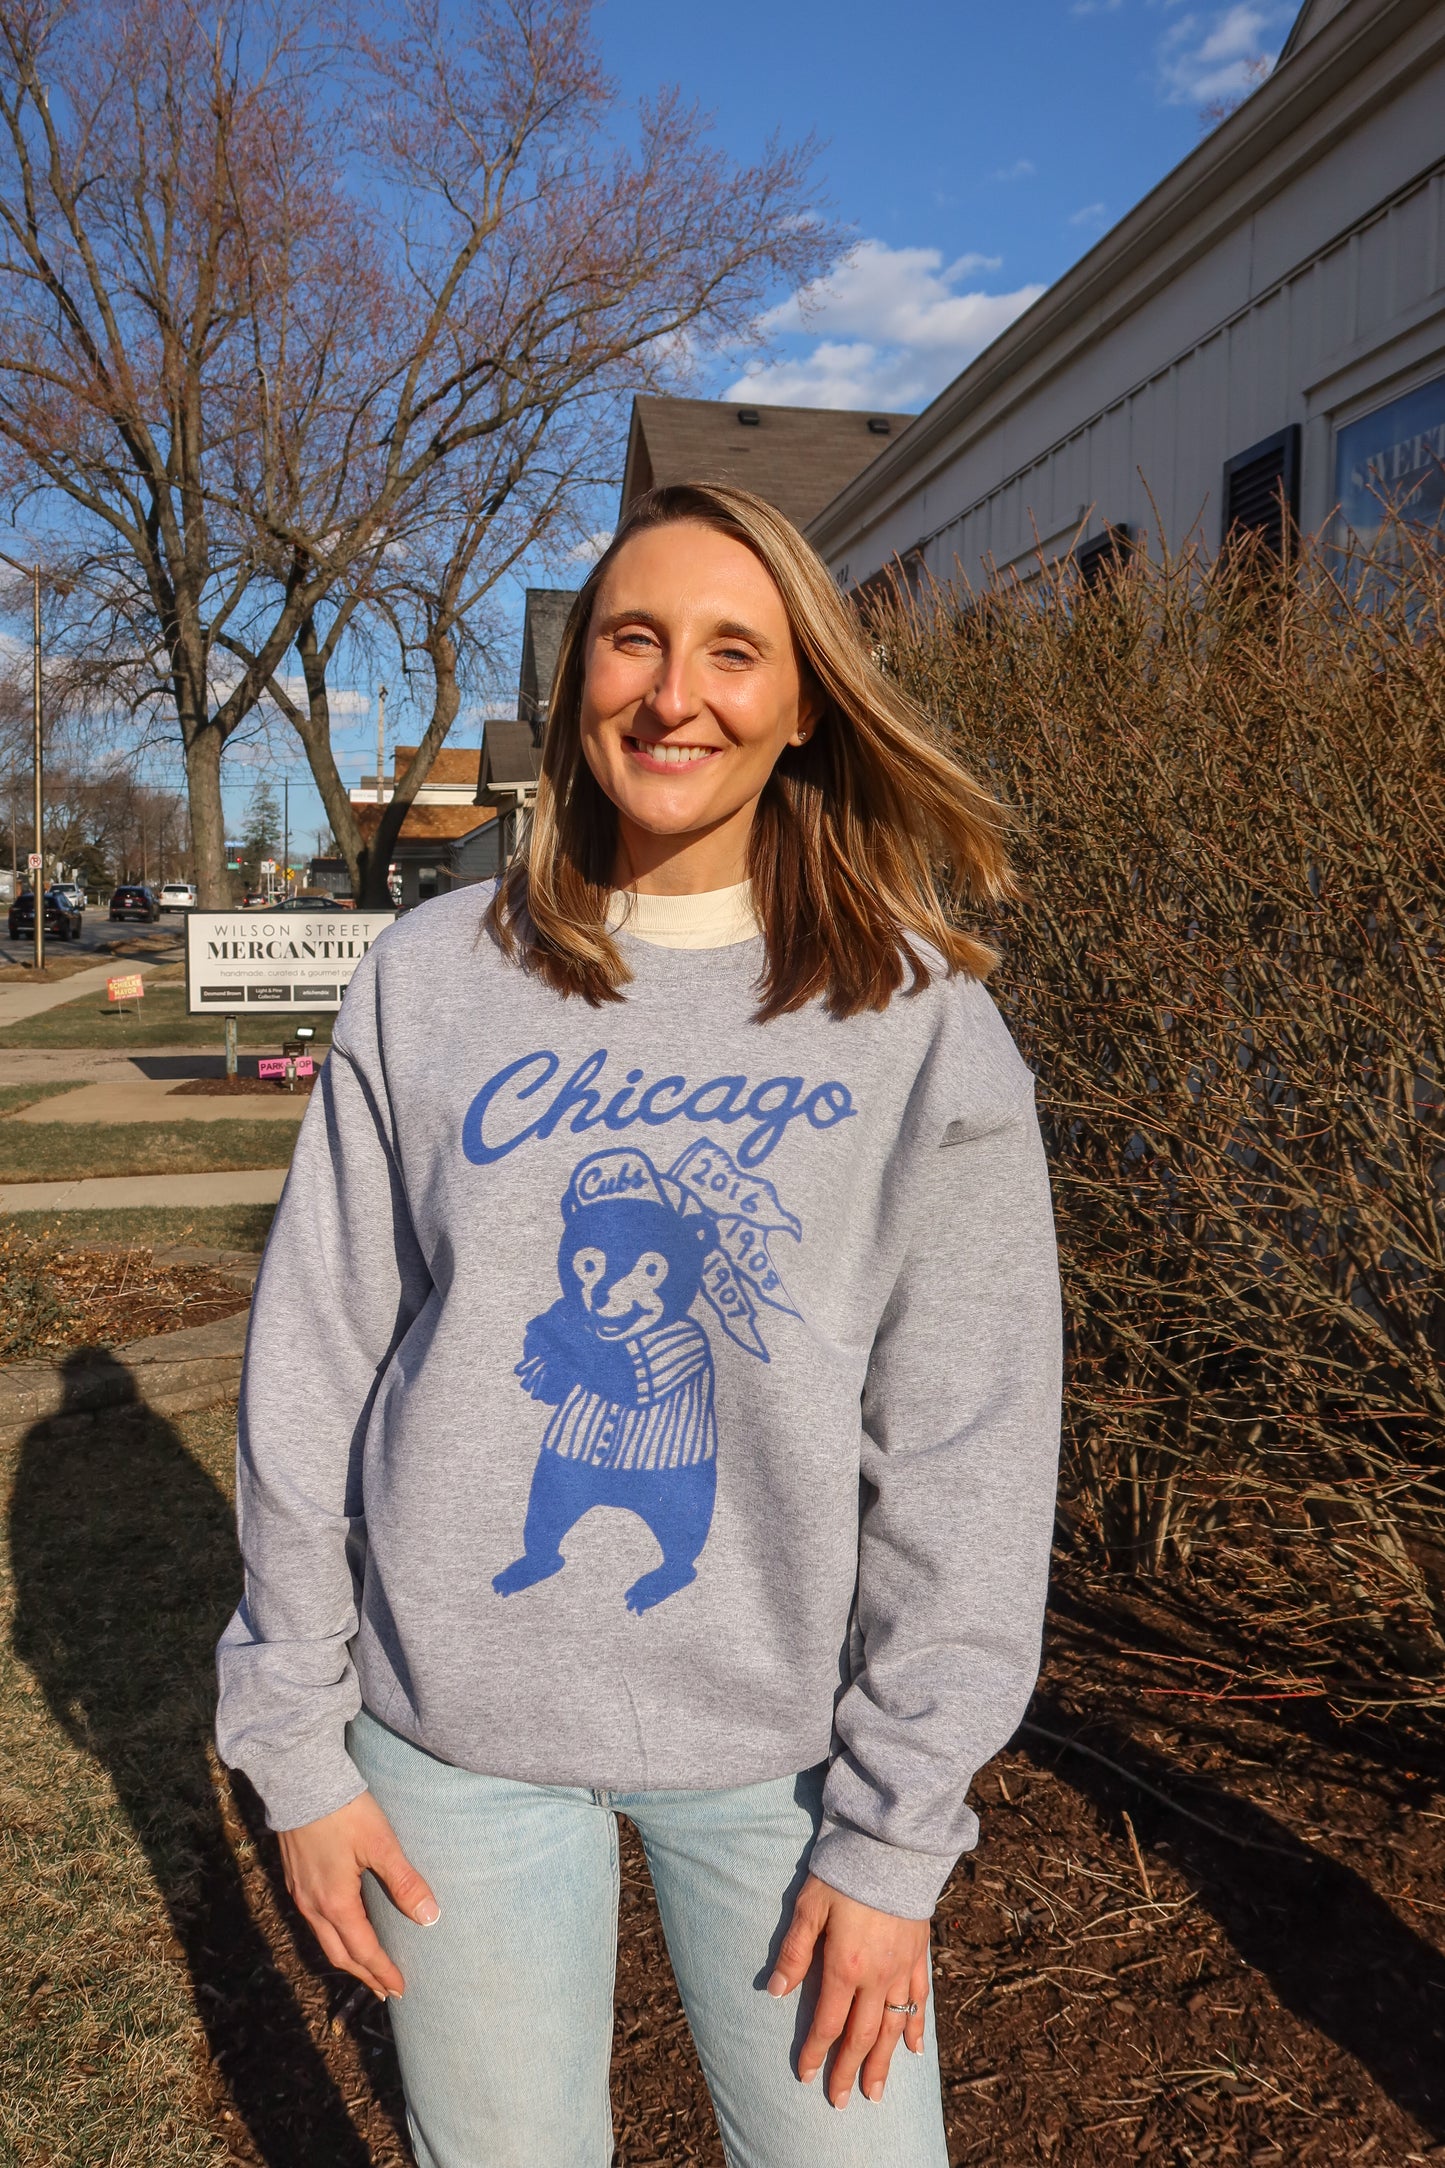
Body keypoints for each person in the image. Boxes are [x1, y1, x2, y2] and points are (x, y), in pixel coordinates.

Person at [216, 482, 1063, 2167]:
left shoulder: (912, 1018)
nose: (674, 693)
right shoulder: (433, 972)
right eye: (634, 639)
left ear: (803, 698)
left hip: (786, 1756)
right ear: (577, 681)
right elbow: (315, 1362)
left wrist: (895, 1838)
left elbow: (967, 1444)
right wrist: (296, 1749)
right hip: (452, 1735)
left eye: (733, 651)